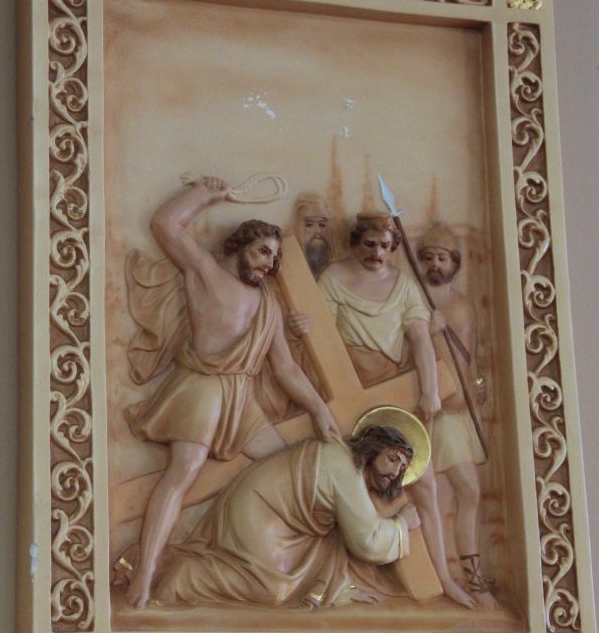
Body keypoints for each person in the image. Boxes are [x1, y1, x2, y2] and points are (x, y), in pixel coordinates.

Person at [123, 176, 339, 608]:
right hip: (201, 390)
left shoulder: (268, 305)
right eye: (262, 252)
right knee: (182, 472)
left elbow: (286, 368)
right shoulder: (203, 271)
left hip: (241, 401)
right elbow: (165, 224)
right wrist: (204, 195)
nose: (268, 264)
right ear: (239, 246)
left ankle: (250, 556)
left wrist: (318, 409)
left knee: (288, 468)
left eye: (274, 258)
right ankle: (144, 573)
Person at [291, 212, 476, 609]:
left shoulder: (404, 285)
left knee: (424, 484)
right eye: (369, 245)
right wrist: (303, 328)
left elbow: (420, 340)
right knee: (348, 484)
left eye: (386, 247)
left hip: (391, 397)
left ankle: (443, 578)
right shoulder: (335, 278)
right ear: (356, 243)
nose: (377, 253)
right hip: (345, 388)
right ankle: (329, 578)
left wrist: (430, 390)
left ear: (394, 248)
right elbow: (322, 335)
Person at [114, 424, 422, 609]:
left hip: (279, 520)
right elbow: (366, 542)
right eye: (392, 458)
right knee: (273, 590)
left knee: (328, 538)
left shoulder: (346, 464)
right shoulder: (346, 468)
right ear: (372, 449)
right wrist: (402, 525)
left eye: (402, 467)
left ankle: (154, 561)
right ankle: (183, 578)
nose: (395, 471)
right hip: (259, 511)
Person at [418, 222, 496, 608]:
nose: (436, 264)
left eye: (443, 258)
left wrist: (478, 384)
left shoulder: (464, 305)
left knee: (462, 494)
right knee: (467, 490)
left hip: (463, 408)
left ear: (455, 263)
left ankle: (465, 575)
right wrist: (429, 330)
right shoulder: (415, 302)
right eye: (430, 257)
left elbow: (471, 352)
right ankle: (473, 580)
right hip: (439, 410)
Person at [291, 192, 334, 277]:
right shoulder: (290, 265)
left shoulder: (335, 270)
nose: (317, 232)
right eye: (309, 225)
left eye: (322, 225)